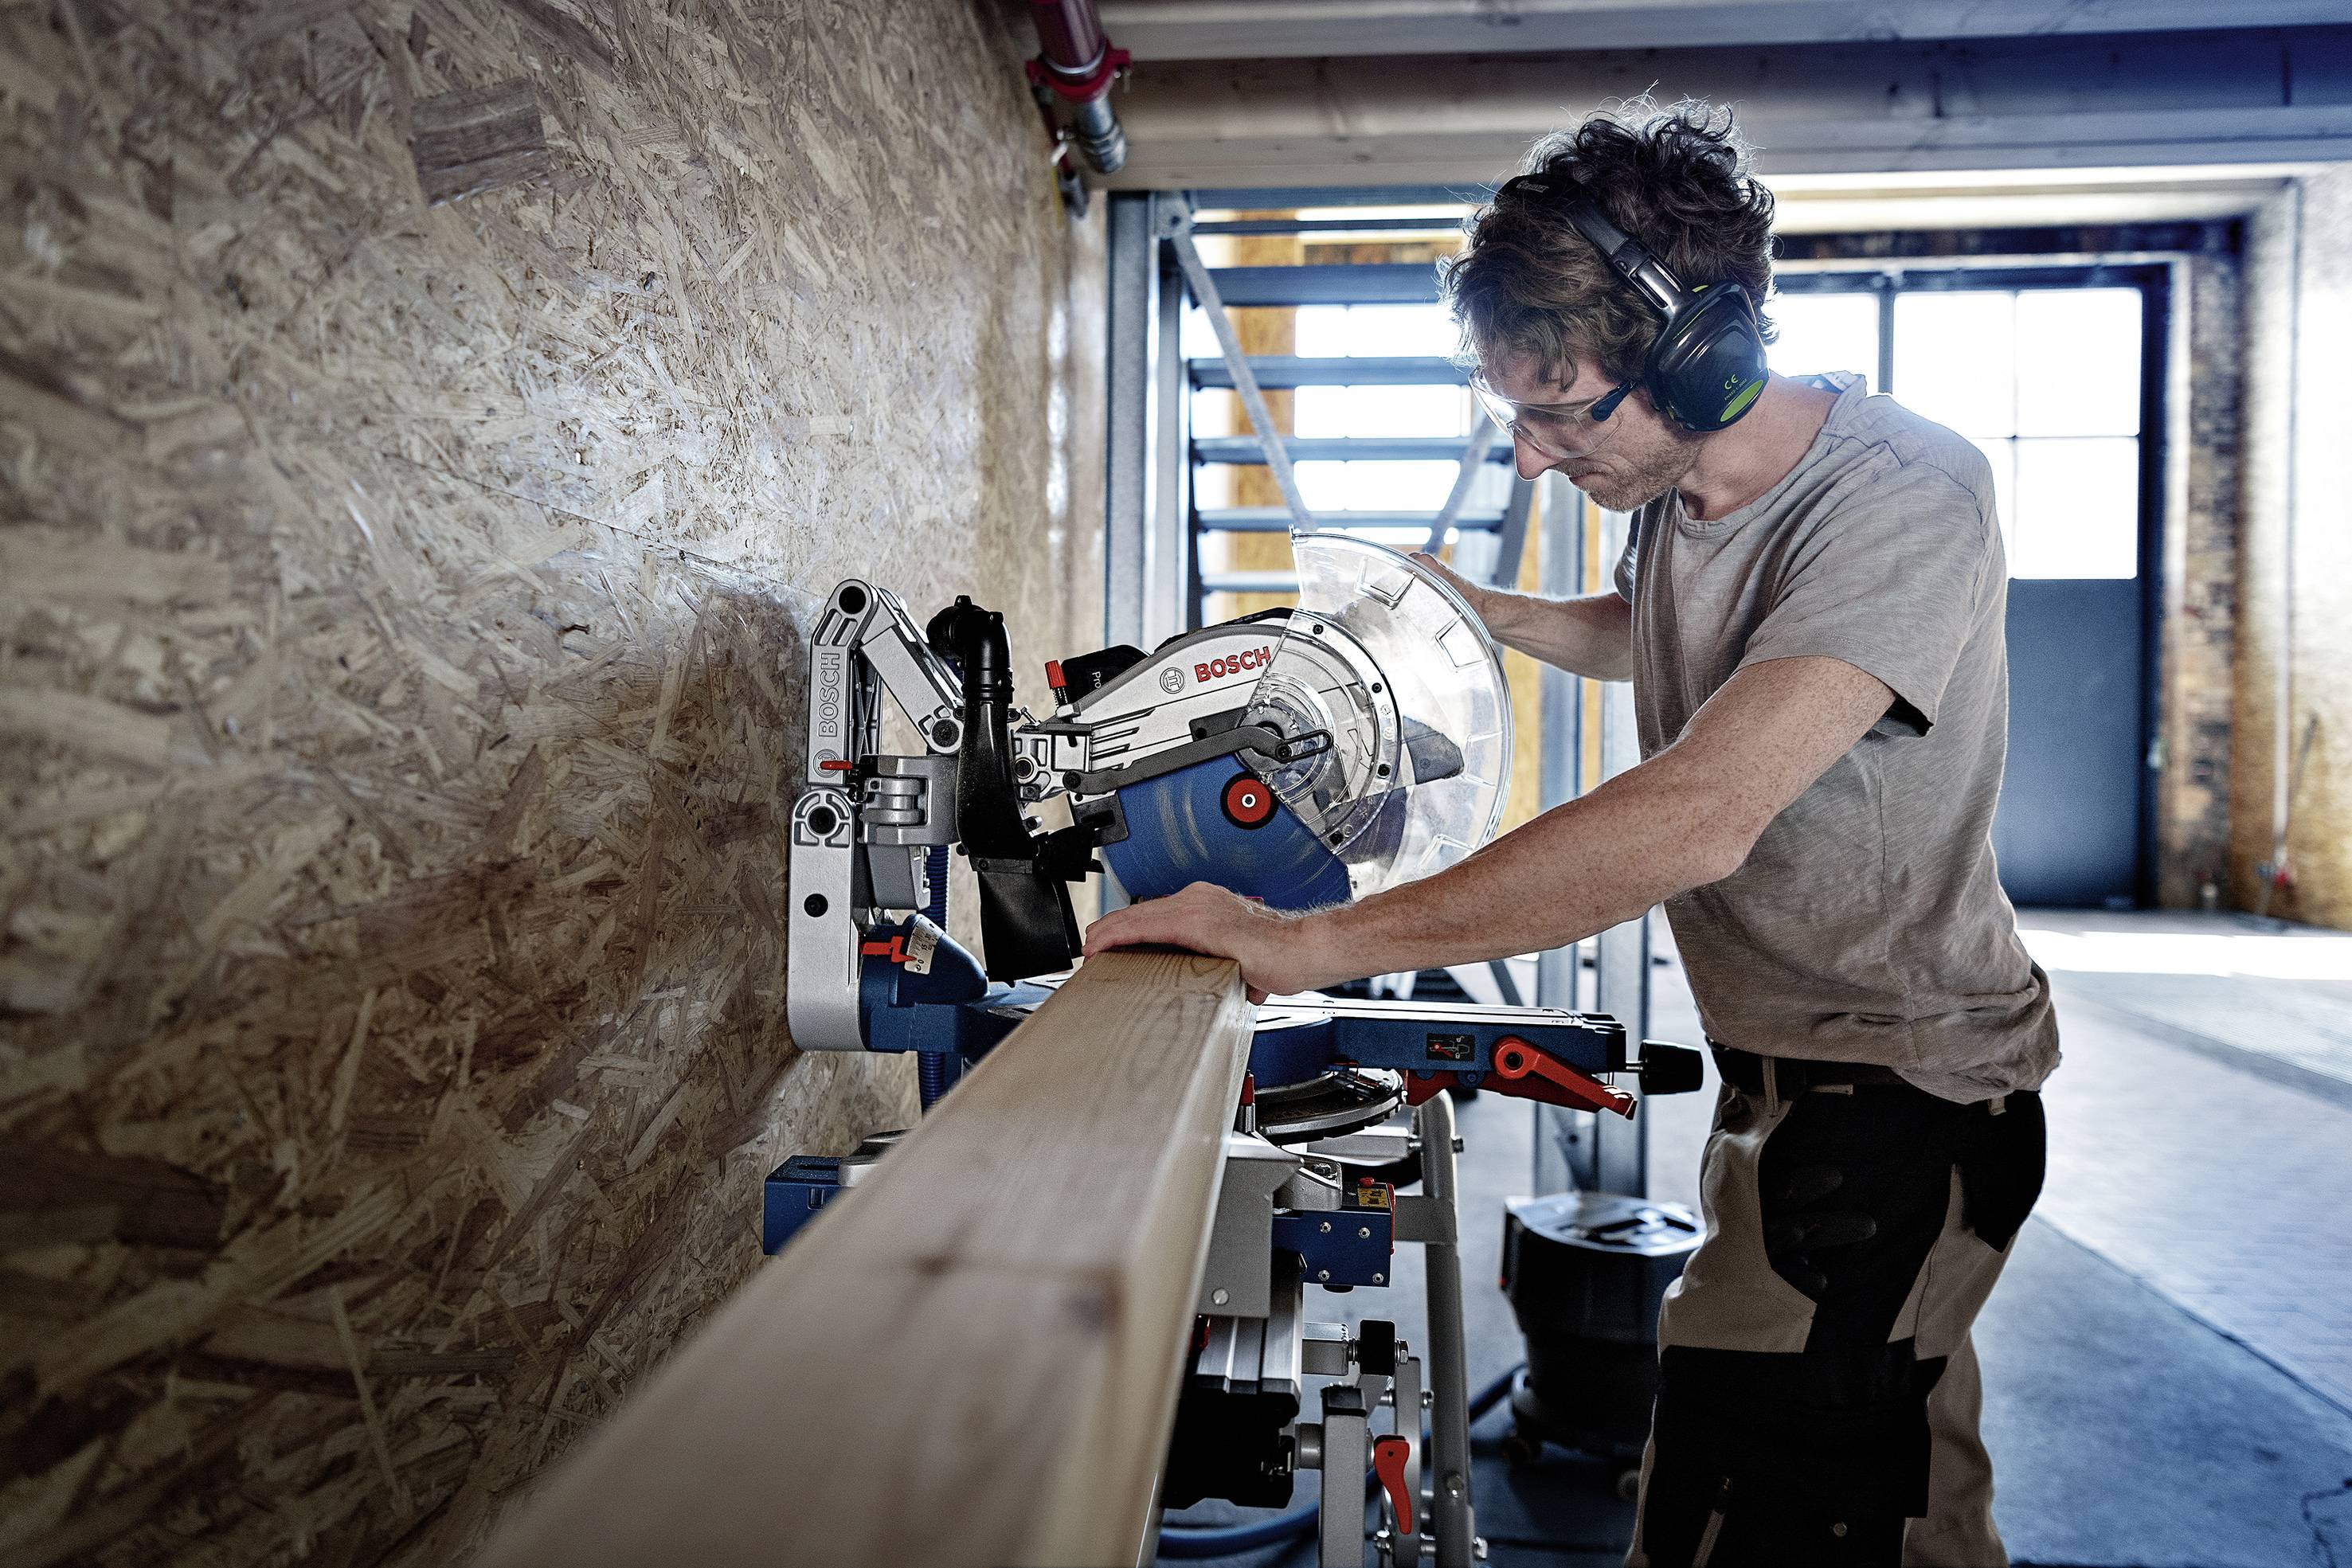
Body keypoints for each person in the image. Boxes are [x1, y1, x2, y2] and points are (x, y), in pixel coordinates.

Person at [1085, 99, 2057, 1567]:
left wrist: (1308, 943)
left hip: (1901, 1089)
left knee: (1734, 1517)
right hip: (1793, 1080)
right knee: (1903, 1495)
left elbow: (1698, 811)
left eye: (1558, 411)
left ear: (1702, 358)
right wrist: (1487, 619)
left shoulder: (1902, 495)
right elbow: (1654, 637)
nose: (1531, 460)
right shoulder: (1676, 491)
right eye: (1510, 417)